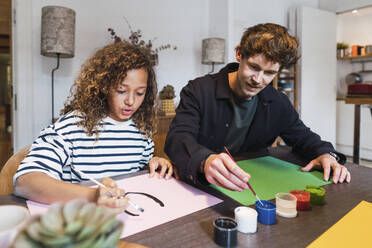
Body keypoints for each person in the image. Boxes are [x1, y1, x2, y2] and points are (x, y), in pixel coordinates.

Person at [165, 23, 350, 192]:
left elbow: (303, 137)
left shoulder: (278, 103)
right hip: (202, 184)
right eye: (253, 67)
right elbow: (178, 138)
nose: (258, 79)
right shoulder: (199, 90)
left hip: (255, 185)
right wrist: (204, 160)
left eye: (269, 73)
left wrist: (326, 154)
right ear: (239, 54)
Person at [14, 41, 173, 213]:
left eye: (140, 92)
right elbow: (25, 183)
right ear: (104, 87)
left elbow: (138, 170)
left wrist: (153, 162)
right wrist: (92, 196)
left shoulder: (141, 131)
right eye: (121, 90)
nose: (131, 101)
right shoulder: (72, 127)